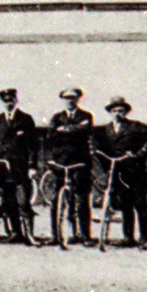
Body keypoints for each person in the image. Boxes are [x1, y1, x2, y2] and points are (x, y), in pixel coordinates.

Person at [93, 96, 147, 248]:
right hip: (118, 172)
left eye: (121, 111)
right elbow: (98, 145)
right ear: (110, 113)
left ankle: (144, 238)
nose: (117, 114)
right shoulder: (106, 130)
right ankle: (128, 237)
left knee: (140, 205)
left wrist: (141, 152)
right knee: (125, 205)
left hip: (135, 171)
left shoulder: (135, 126)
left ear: (126, 112)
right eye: (114, 111)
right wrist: (100, 156)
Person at [0, 88, 39, 243]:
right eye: (5, 101)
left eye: (10, 100)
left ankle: (29, 234)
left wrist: (32, 166)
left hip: (21, 168)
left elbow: (33, 145)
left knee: (23, 201)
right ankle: (16, 232)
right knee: (8, 202)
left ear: (16, 100)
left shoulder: (25, 119)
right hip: (3, 168)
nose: (8, 103)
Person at [45, 87, 95, 244]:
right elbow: (50, 137)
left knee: (81, 199)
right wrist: (74, 129)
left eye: (73, 98)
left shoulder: (86, 116)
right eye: (66, 98)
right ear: (62, 100)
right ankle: (55, 235)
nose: (69, 101)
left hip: (80, 162)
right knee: (56, 199)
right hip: (60, 162)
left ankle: (84, 235)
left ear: (78, 99)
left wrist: (63, 129)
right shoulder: (56, 117)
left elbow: (85, 130)